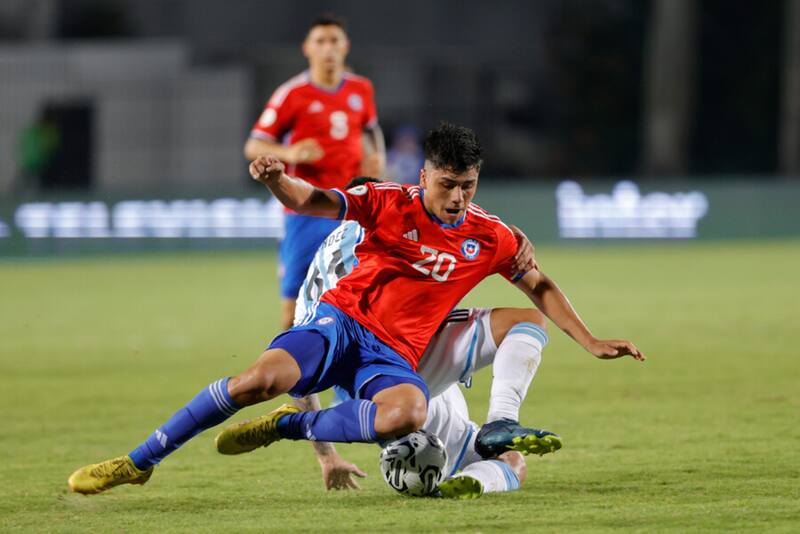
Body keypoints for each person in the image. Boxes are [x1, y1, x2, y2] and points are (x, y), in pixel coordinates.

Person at [68, 123, 643, 495]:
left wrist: (590, 340)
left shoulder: (490, 236)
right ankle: (139, 461)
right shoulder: (387, 201)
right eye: (447, 184)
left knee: (406, 415)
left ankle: (291, 427)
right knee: (256, 380)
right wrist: (277, 181)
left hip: (394, 355)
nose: (458, 197)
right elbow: (313, 200)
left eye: (467, 185)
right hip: (338, 325)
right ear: (423, 177)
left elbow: (538, 285)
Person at [244, 13, 386, 330]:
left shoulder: (361, 90)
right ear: (307, 48)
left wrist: (377, 158)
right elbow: (253, 146)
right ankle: (291, 374)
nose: (328, 49)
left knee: (361, 304)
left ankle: (353, 372)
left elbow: (371, 131)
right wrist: (289, 153)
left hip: (352, 208)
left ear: (345, 45)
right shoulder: (292, 94)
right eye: (320, 42)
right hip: (306, 210)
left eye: (334, 41)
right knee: (291, 312)